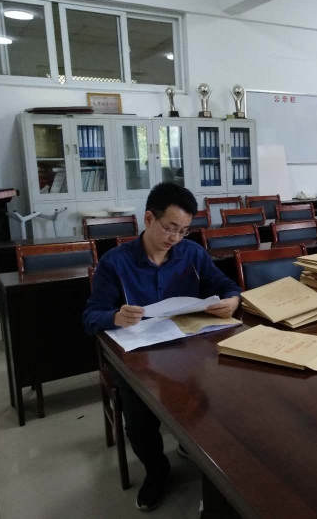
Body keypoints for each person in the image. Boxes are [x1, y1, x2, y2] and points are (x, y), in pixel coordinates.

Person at [83, 182, 241, 511]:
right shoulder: (115, 263)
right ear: (148, 219)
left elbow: (226, 285)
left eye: (183, 231)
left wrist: (232, 300)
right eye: (170, 228)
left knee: (226, 388)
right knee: (139, 419)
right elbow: (90, 317)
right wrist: (116, 316)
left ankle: (202, 450)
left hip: (187, 347)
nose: (176, 238)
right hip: (138, 357)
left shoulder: (192, 254)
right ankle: (157, 470)